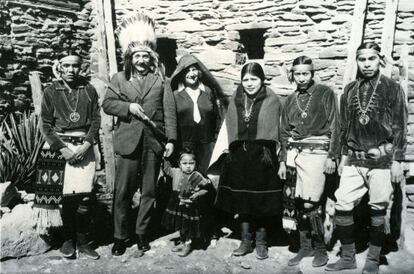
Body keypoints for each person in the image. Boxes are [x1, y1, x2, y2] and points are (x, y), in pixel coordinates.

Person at [325, 42, 407, 274]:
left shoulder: (392, 88)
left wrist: (398, 160)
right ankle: (348, 257)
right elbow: (342, 128)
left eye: (372, 59)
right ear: (357, 61)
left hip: (382, 158)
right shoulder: (350, 90)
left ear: (379, 60)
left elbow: (400, 126)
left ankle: (373, 258)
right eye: (362, 60)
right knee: (342, 204)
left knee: (378, 207)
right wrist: (340, 156)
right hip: (354, 157)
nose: (367, 64)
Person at [102, 13, 177, 257]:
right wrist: (127, 108)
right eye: (137, 56)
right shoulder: (119, 79)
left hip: (153, 143)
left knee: (149, 192)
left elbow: (169, 112)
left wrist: (172, 141)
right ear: (130, 58)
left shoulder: (160, 81)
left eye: (146, 56)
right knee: (123, 192)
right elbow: (107, 104)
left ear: (152, 58)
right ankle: (120, 237)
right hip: (128, 143)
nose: (142, 60)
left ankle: (143, 234)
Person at [214, 62, 283, 260]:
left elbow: (278, 130)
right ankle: (246, 241)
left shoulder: (272, 100)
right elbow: (228, 128)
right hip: (240, 156)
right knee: (243, 201)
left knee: (261, 202)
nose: (250, 83)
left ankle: (261, 243)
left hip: (263, 157)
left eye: (254, 79)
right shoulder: (236, 98)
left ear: (262, 80)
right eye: (246, 79)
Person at [278, 56, 340, 267]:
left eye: (306, 73)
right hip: (294, 154)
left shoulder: (325, 93)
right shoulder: (289, 100)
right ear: (292, 75)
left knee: (310, 201)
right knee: (296, 201)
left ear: (312, 73)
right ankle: (304, 247)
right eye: (298, 74)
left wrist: (332, 156)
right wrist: (282, 162)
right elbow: (284, 133)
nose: (302, 78)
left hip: (317, 153)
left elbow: (335, 126)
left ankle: (320, 249)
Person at [39, 52, 101, 259]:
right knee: (65, 198)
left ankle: (83, 241)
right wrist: (61, 148)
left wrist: (87, 144)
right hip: (59, 148)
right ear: (60, 68)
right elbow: (45, 125)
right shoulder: (50, 91)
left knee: (85, 195)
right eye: (66, 66)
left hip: (83, 146)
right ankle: (68, 239)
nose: (71, 70)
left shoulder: (89, 90)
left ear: (80, 68)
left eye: (75, 66)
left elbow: (95, 120)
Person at [170, 54, 224, 175]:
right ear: (181, 73)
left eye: (194, 69)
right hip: (185, 148)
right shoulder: (175, 95)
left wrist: (216, 141)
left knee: (207, 178)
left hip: (207, 145)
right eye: (187, 71)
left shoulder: (208, 91)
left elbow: (217, 117)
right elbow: (171, 120)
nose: (192, 74)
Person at [161, 148, 213, 257]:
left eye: (191, 163)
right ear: (179, 164)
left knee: (188, 225)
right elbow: (166, 169)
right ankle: (182, 241)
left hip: (190, 205)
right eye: (184, 163)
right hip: (176, 202)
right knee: (180, 223)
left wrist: (197, 194)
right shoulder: (176, 172)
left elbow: (206, 188)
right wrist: (165, 156)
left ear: (196, 164)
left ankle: (188, 244)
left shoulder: (197, 176)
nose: (188, 166)